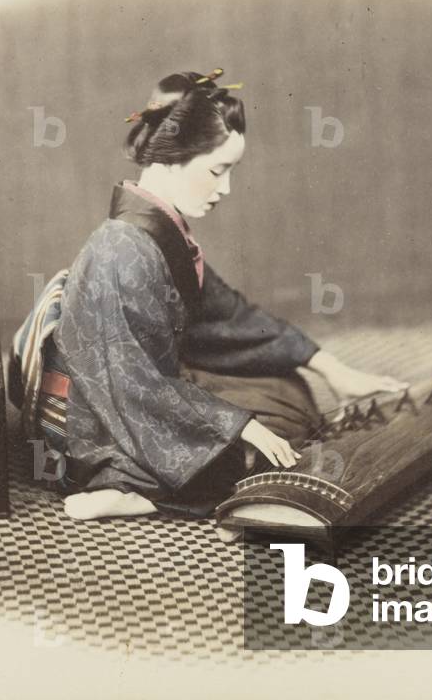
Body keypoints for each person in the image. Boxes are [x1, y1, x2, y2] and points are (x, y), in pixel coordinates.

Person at [38, 68, 407, 521]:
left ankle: (161, 477)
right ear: (172, 157)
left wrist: (332, 369)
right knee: (256, 445)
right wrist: (238, 427)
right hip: (94, 419)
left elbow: (228, 315)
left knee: (289, 394)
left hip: (144, 391)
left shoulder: (160, 231)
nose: (226, 188)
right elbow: (131, 383)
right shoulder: (121, 250)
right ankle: (126, 488)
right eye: (217, 170)